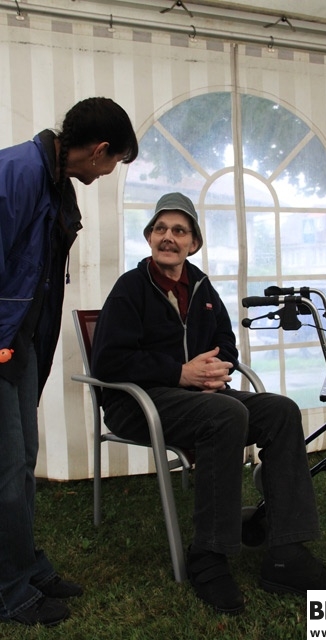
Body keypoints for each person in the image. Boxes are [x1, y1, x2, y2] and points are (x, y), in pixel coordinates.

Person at [91, 192, 326, 615]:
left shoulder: (202, 287)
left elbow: (226, 344)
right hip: (138, 403)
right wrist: (180, 372)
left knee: (282, 411)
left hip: (201, 397)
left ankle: (287, 555)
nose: (169, 237)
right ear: (149, 237)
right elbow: (107, 360)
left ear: (194, 243)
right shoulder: (130, 288)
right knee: (226, 414)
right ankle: (208, 557)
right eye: (161, 229)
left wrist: (216, 370)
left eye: (179, 231)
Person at [0, 97, 138, 627]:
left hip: (22, 342)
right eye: (114, 162)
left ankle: (24, 566)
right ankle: (8, 590)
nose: (107, 173)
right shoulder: (17, 173)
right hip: (3, 342)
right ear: (99, 150)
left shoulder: (55, 180)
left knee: (22, 463)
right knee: (5, 470)